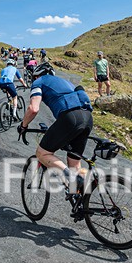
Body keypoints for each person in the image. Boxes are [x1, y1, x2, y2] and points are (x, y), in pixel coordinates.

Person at [17, 62, 93, 196]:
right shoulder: (66, 83)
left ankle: (72, 177)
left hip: (70, 117)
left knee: (42, 153)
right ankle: (82, 202)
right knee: (75, 163)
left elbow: (33, 109)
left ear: (36, 75)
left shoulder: (39, 82)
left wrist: (23, 125)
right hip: (87, 118)